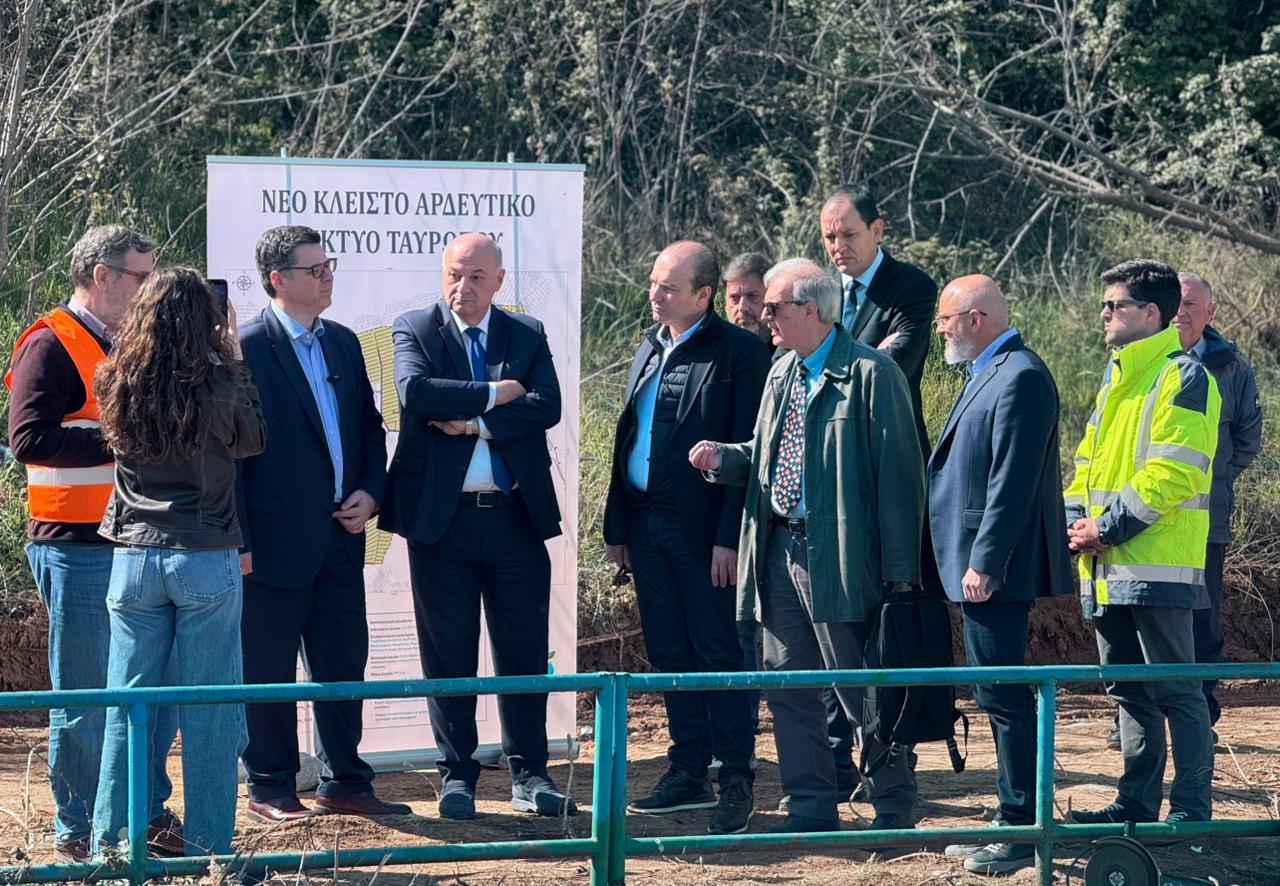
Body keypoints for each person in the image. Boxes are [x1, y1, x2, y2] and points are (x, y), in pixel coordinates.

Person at [689, 259, 925, 834]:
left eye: (773, 307)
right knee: (788, 686)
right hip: (778, 552)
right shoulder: (781, 373)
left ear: (811, 310)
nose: (762, 316)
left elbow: (900, 479)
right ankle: (810, 808)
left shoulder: (872, 373)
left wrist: (899, 575)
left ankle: (892, 803)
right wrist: (725, 460)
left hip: (843, 560)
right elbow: (766, 455)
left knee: (860, 688)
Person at [379, 233, 572, 820]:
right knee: (449, 654)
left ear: (499, 281)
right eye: (454, 275)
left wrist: (472, 425)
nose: (462, 287)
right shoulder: (415, 328)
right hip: (444, 524)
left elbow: (547, 406)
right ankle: (456, 775)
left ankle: (530, 774)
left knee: (523, 650)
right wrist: (497, 394)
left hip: (515, 518)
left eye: (476, 277)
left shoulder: (526, 333)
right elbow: (418, 394)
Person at [5, 226, 181, 861]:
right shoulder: (49, 343)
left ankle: (144, 812)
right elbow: (27, 439)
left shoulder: (133, 343)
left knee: (150, 690)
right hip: (75, 545)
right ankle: (79, 829)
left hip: (138, 539)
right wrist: (126, 435)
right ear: (101, 276)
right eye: (141, 276)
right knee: (85, 695)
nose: (149, 288)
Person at [90, 268, 266, 857]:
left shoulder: (116, 376)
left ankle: (113, 845)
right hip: (203, 554)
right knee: (210, 714)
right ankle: (209, 849)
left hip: (133, 555)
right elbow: (252, 440)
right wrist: (234, 358)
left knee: (127, 709)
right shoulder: (218, 381)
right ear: (206, 321)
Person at [236, 225, 408, 821]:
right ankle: (270, 786)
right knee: (269, 669)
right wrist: (240, 541)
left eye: (329, 264)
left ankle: (345, 781)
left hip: (341, 535)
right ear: (278, 279)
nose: (328, 275)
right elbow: (232, 457)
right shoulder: (247, 347)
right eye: (315, 269)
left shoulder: (341, 341)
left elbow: (368, 428)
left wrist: (370, 492)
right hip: (271, 545)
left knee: (343, 662)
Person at [603, 241, 769, 834]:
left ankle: (736, 779)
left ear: (703, 295)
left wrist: (729, 539)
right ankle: (687, 769)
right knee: (670, 650)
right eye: (654, 282)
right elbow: (629, 436)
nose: (655, 294)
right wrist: (619, 526)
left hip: (704, 535)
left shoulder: (740, 353)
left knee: (718, 651)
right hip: (646, 525)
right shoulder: (650, 345)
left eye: (669, 287)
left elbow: (749, 454)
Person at [922, 276, 1073, 875]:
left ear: (975, 318)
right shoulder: (990, 370)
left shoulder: (1021, 376)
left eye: (945, 320)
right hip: (973, 563)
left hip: (992, 569)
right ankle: (1012, 817)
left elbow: (1012, 483)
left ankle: (1021, 830)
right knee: (994, 692)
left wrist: (985, 560)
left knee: (1005, 696)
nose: (940, 330)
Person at [1065, 260, 1220, 827]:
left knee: (1177, 692)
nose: (1104, 314)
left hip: (1157, 568)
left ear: (1151, 313)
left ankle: (1191, 812)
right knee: (1128, 691)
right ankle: (1135, 806)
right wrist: (1076, 522)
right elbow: (1085, 466)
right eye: (1104, 304)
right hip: (1104, 566)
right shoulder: (1115, 380)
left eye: (1116, 305)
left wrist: (1103, 528)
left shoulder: (1184, 377)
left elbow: (1175, 472)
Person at [1171, 272, 1262, 727]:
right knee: (1143, 613)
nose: (1180, 312)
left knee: (1202, 618)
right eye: (1174, 302)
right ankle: (1138, 713)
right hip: (1143, 518)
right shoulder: (1140, 358)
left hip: (1207, 520)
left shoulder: (1232, 368)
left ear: (1210, 313)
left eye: (1190, 304)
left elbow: (1246, 440)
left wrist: (1213, 479)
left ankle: (1200, 711)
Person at [820, 184, 937, 459]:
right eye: (830, 237)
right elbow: (788, 363)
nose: (838, 247)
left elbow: (891, 371)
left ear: (877, 230)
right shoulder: (814, 287)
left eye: (849, 235)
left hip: (887, 449)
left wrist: (822, 360)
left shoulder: (913, 287)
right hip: (824, 448)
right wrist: (873, 354)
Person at [723, 252, 772, 345]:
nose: (742, 307)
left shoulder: (792, 350)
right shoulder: (711, 348)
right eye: (734, 298)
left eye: (753, 296)